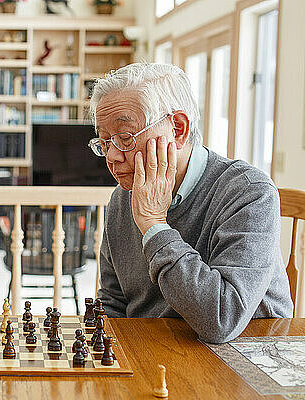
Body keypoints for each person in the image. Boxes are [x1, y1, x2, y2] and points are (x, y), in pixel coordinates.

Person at [88, 63, 293, 343]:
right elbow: (113, 303)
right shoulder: (121, 198)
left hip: (243, 359)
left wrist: (154, 225)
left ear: (178, 129)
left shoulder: (249, 192)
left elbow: (222, 319)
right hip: (160, 355)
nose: (111, 156)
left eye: (124, 138)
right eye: (104, 141)